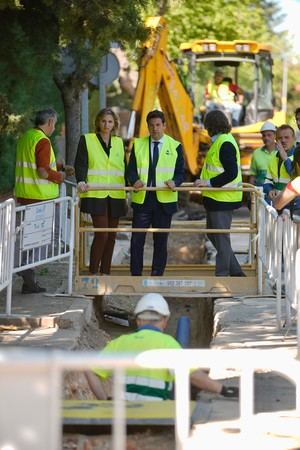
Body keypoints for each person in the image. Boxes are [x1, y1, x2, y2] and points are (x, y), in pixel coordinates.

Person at [85, 293, 239, 401]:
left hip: (123, 414)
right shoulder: (168, 344)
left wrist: (104, 401)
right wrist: (222, 389)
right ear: (165, 320)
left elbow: (91, 371)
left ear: (138, 320)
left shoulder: (119, 343)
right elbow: (193, 376)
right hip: (154, 416)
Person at [14, 107, 68, 294]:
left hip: (25, 195)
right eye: (55, 123)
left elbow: (34, 163)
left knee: (28, 238)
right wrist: (59, 176)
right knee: (38, 240)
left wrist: (58, 166)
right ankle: (25, 269)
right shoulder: (43, 141)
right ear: (51, 122)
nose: (55, 127)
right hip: (39, 198)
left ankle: (29, 282)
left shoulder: (26, 137)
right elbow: (43, 171)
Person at [127, 110, 185, 276]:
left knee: (160, 241)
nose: (155, 129)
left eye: (158, 125)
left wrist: (175, 181)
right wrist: (134, 180)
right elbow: (130, 170)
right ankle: (136, 275)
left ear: (164, 126)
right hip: (143, 199)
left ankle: (157, 274)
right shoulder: (138, 145)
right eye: (151, 125)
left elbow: (181, 173)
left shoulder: (175, 146)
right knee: (137, 240)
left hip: (164, 201)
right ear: (148, 127)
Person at [75, 108, 127, 275]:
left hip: (116, 193)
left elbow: (123, 167)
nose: (106, 125)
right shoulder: (87, 140)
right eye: (103, 121)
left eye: (110, 121)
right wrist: (81, 181)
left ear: (114, 124)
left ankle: (106, 272)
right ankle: (93, 271)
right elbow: (81, 163)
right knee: (102, 234)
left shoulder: (119, 142)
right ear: (98, 122)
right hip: (95, 193)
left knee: (111, 236)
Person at [194, 110, 245, 277]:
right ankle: (236, 272)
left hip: (223, 199)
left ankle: (222, 277)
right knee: (213, 234)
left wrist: (208, 183)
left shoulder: (225, 143)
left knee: (221, 239)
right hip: (216, 198)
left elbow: (230, 173)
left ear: (210, 126)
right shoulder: (221, 142)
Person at [263, 124, 296, 206]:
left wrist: (285, 157)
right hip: (278, 203)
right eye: (280, 138)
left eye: (286, 137)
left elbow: (295, 175)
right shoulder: (273, 158)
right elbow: (267, 181)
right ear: (276, 140)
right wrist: (270, 190)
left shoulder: (298, 156)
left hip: (294, 204)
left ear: (294, 138)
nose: (283, 140)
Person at [249, 122, 277, 187]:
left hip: (276, 191)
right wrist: (251, 192)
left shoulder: (282, 152)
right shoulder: (256, 153)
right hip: (259, 191)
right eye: (264, 135)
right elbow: (253, 176)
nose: (266, 138)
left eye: (269, 135)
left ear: (275, 135)